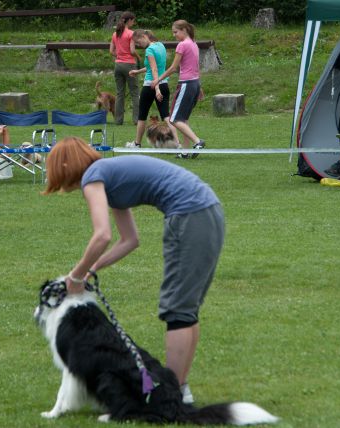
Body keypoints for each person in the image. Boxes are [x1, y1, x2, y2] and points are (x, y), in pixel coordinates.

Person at [43, 136, 225, 405]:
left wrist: (76, 275)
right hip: (206, 210)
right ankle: (179, 392)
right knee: (185, 308)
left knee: (177, 309)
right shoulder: (109, 176)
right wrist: (93, 268)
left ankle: (171, 395)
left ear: (67, 164)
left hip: (189, 214)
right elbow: (129, 240)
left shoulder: (92, 177)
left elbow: (102, 235)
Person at [152, 20, 205, 159]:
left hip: (186, 84)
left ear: (184, 30)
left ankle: (197, 141)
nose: (174, 35)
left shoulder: (182, 45)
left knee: (174, 119)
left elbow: (173, 68)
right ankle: (185, 152)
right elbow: (196, 67)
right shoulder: (194, 44)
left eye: (175, 32)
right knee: (183, 119)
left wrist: (158, 79)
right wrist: (200, 87)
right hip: (194, 84)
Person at [129, 29, 179, 148]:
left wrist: (156, 89)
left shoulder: (149, 50)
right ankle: (178, 143)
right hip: (164, 83)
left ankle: (137, 144)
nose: (138, 45)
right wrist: (137, 71)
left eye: (138, 42)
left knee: (142, 116)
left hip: (150, 86)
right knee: (166, 117)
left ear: (143, 36)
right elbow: (152, 67)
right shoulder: (160, 45)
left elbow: (154, 69)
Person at [110, 11, 140, 126]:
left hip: (118, 65)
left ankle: (118, 120)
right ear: (129, 20)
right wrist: (138, 57)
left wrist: (119, 56)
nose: (134, 22)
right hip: (130, 65)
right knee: (134, 92)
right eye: (133, 20)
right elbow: (132, 51)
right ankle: (136, 119)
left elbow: (111, 51)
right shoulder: (131, 33)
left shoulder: (115, 33)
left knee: (119, 94)